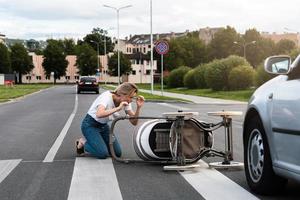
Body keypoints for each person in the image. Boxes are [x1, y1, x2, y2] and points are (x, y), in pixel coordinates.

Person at [75, 82, 145, 159]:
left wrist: (139, 108)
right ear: (123, 94)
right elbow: (99, 114)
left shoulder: (125, 101)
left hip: (103, 126)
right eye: (131, 97)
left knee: (117, 153)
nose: (131, 100)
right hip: (90, 125)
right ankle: (82, 142)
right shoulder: (106, 97)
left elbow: (134, 122)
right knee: (102, 154)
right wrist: (118, 108)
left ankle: (99, 143)